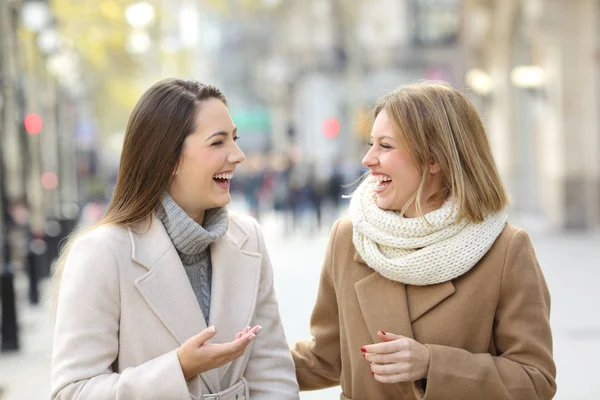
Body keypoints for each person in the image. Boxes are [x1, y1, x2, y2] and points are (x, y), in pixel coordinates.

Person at [291, 82, 556, 399]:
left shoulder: (505, 249)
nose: (368, 159)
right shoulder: (348, 239)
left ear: (434, 159)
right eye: (370, 143)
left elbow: (535, 380)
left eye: (385, 146)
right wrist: (231, 365)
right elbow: (325, 358)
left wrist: (433, 365)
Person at [50, 78, 299, 399]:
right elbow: (72, 392)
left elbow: (273, 374)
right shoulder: (102, 253)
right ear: (169, 159)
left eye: (234, 139)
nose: (238, 155)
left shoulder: (248, 239)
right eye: (218, 142)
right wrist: (178, 369)